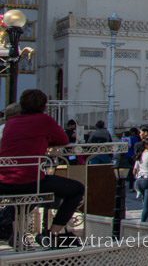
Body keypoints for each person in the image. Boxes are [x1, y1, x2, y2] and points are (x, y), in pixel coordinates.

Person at [0, 89, 85, 248]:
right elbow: (63, 139)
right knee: (76, 190)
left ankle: (13, 232)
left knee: (25, 198)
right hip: (29, 181)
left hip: (4, 180)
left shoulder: (11, 123)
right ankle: (52, 233)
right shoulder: (44, 120)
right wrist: (45, 142)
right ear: (44, 106)